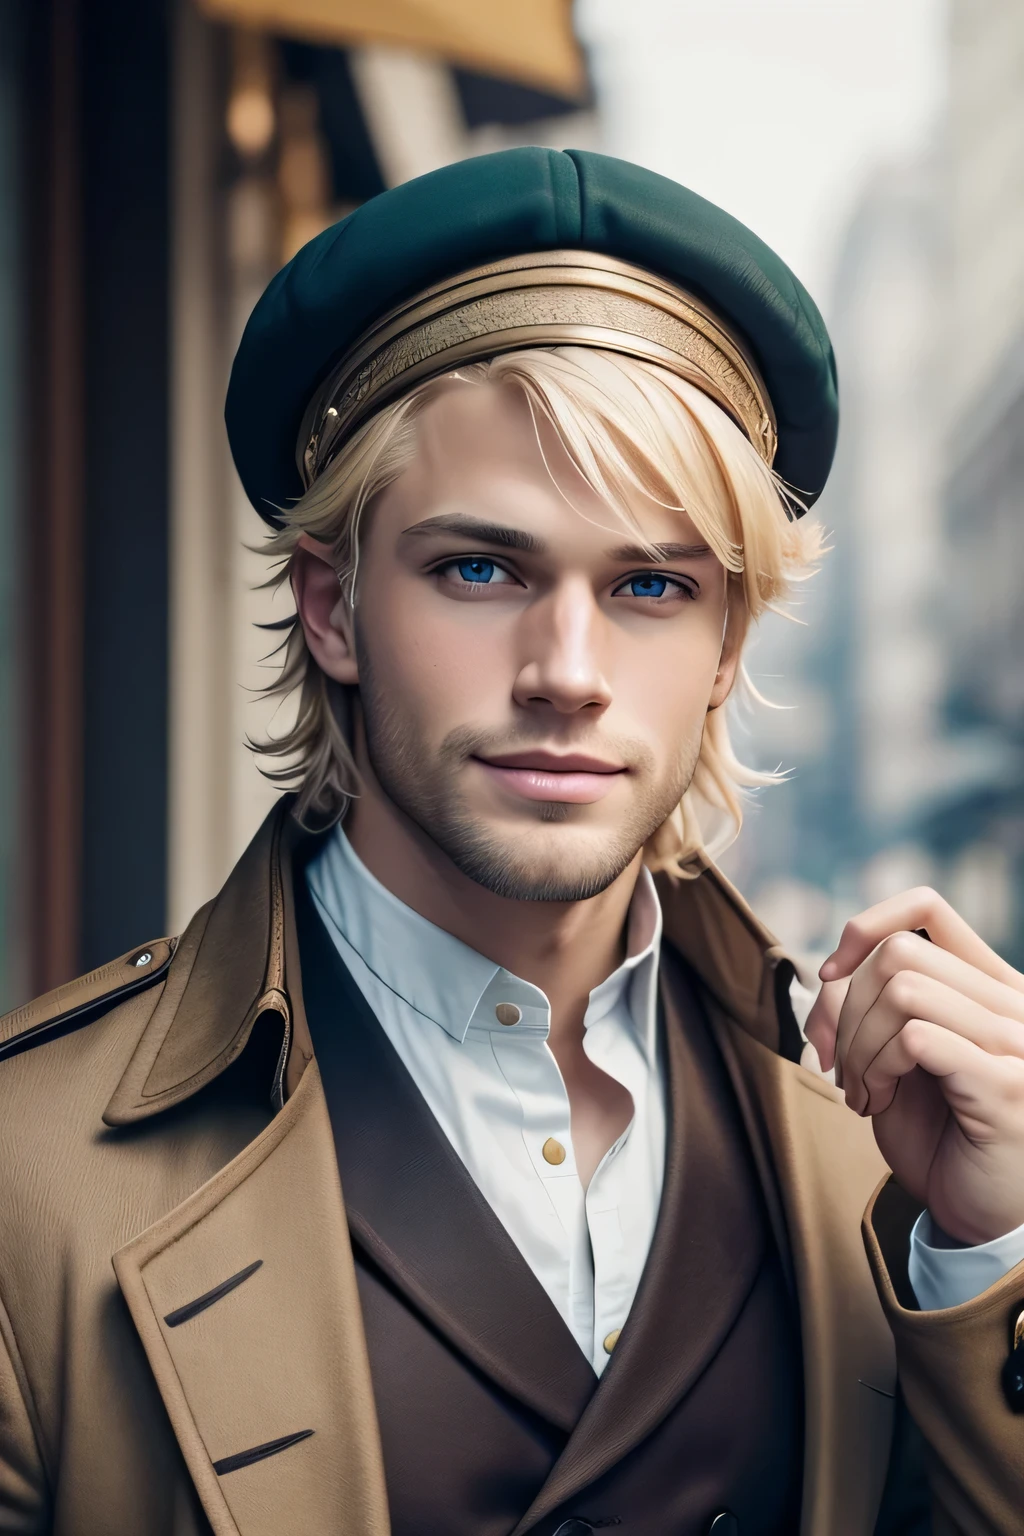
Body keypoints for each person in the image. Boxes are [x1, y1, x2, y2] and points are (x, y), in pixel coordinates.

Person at [1, 147, 1023, 1536]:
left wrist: (990, 1250)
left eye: (652, 584)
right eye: (482, 569)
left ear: (725, 646)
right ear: (334, 607)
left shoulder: (880, 1150)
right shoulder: (30, 1183)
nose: (567, 669)